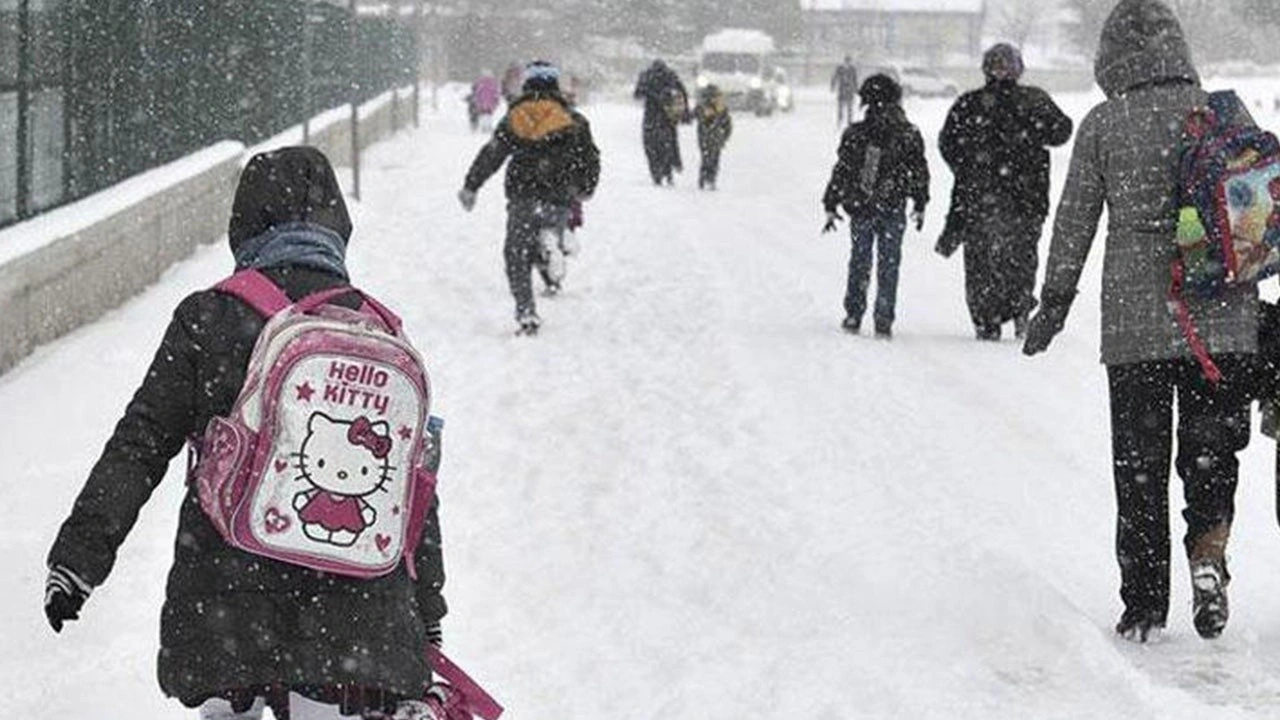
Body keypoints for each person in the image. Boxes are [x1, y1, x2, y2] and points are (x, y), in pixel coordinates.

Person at [42, 147, 448, 718]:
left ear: (244, 223)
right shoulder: (378, 331)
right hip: (355, 620)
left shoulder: (208, 317)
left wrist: (79, 559)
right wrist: (426, 608)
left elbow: (140, 444)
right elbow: (414, 489)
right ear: (337, 226)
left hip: (224, 602)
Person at [1023, 0, 1256, 643]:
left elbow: (1074, 221)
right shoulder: (1221, 110)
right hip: (1223, 319)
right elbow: (1260, 209)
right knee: (1210, 454)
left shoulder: (1104, 122)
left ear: (1110, 57)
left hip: (1136, 324)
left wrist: (1054, 302)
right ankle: (1208, 556)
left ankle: (1145, 605)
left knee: (1141, 467)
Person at [939, 43, 1073, 342]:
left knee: (983, 262)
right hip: (1025, 196)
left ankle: (989, 317)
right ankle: (1018, 308)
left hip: (984, 197)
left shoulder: (970, 104)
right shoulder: (1032, 100)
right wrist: (1032, 133)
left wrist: (969, 168)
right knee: (1019, 258)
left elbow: (948, 143)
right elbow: (1061, 131)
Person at [458, 61, 601, 336]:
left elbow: (493, 154)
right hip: (559, 197)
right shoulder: (574, 120)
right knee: (547, 233)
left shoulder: (515, 117)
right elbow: (590, 159)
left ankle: (526, 313)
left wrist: (471, 185)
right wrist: (585, 188)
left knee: (516, 254)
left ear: (527, 85)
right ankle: (552, 247)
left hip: (523, 196)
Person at [822, 74, 929, 339]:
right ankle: (883, 317)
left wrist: (831, 201)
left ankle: (854, 313)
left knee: (860, 260)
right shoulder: (908, 133)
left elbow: (843, 170)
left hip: (862, 205)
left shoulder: (857, 133)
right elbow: (919, 170)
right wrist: (920, 200)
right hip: (893, 205)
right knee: (889, 263)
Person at [633, 59, 689, 186]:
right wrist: (685, 112)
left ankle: (656, 173)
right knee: (668, 144)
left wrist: (650, 93)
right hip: (667, 115)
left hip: (651, 116)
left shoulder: (646, 76)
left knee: (651, 146)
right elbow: (683, 92)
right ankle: (668, 169)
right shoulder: (670, 75)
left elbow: (637, 94)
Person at [694, 84, 733, 191]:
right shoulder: (704, 108)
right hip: (708, 138)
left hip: (714, 139)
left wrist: (725, 136)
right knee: (707, 159)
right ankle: (705, 179)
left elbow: (727, 124)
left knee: (713, 159)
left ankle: (709, 179)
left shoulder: (721, 109)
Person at [831, 55, 859, 127]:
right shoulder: (840, 68)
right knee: (841, 107)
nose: (847, 63)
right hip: (842, 90)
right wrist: (833, 85)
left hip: (849, 90)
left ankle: (849, 121)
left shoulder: (852, 69)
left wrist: (856, 89)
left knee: (849, 107)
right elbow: (835, 77)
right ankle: (840, 120)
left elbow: (855, 79)